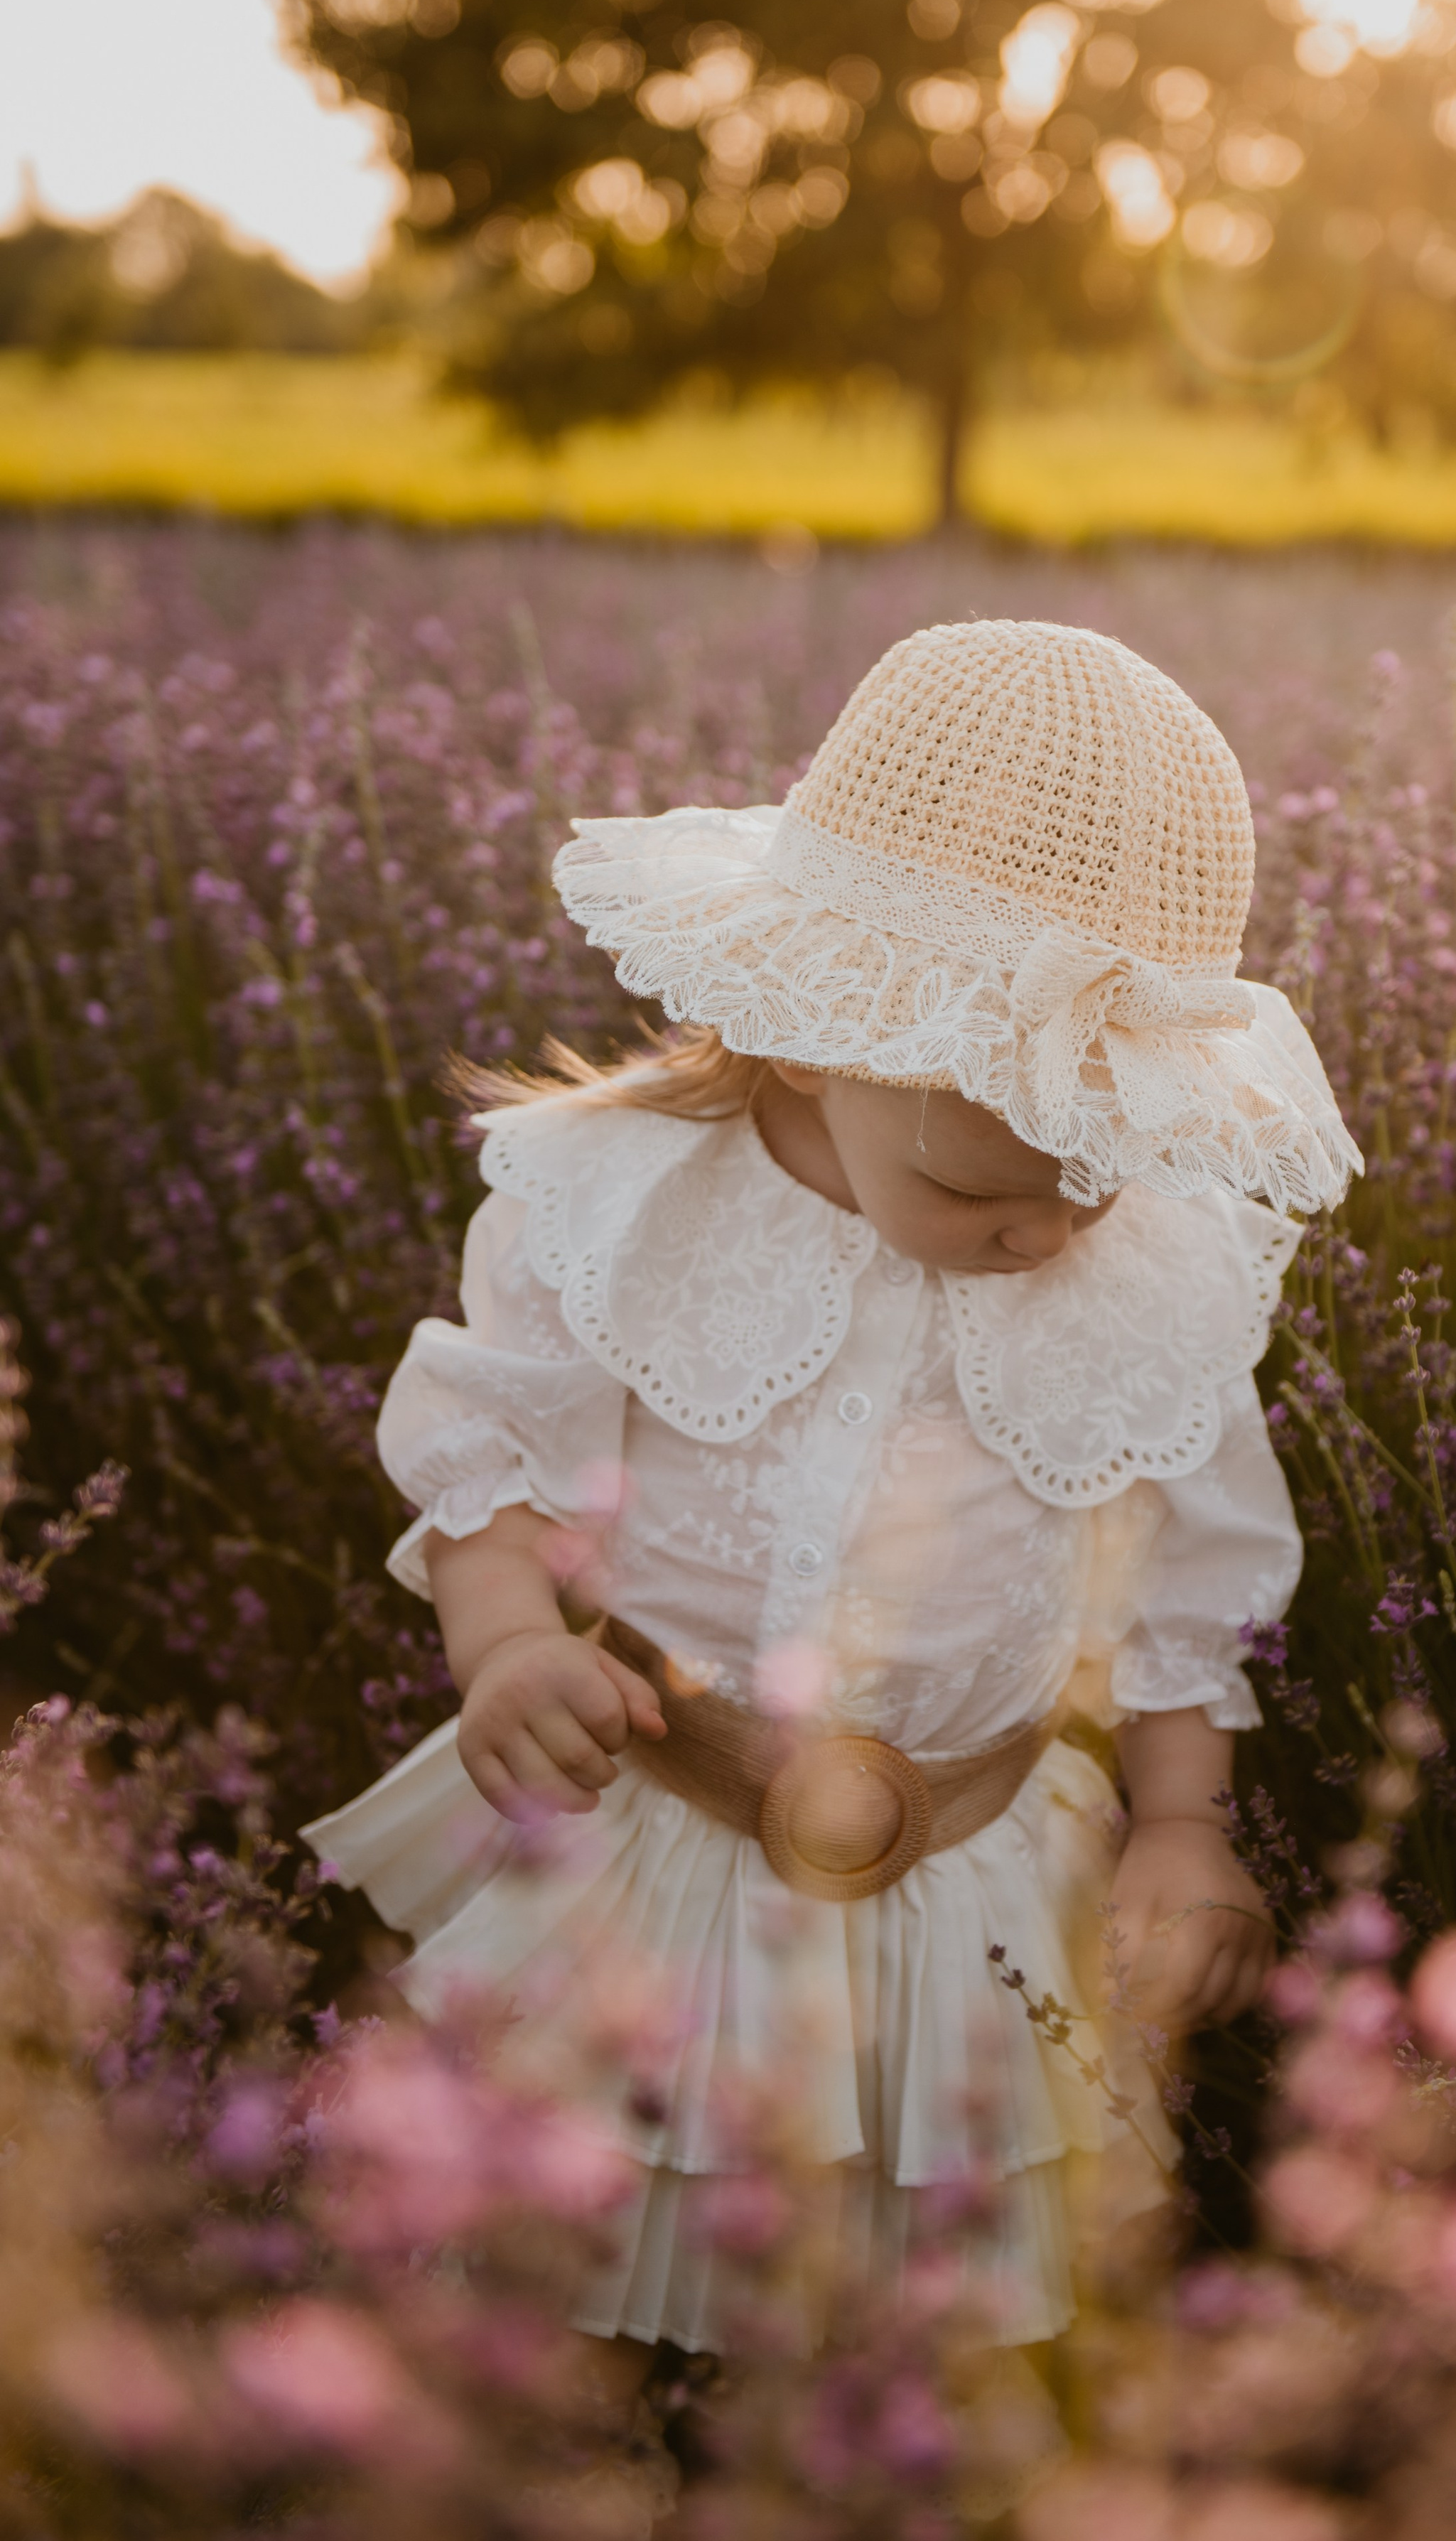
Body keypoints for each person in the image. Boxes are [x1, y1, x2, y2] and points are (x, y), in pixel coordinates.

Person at [303, 617, 1359, 2462]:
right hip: (663, 1821)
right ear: (806, 1045)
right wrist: (508, 1644)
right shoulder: (624, 1200)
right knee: (570, 2249)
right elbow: (498, 1464)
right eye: (980, 1178)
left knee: (946, 2274)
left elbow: (1183, 1597)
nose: (1046, 1222)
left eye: (1090, 1166)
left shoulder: (1150, 1277)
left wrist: (1185, 1827)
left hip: (972, 1858)